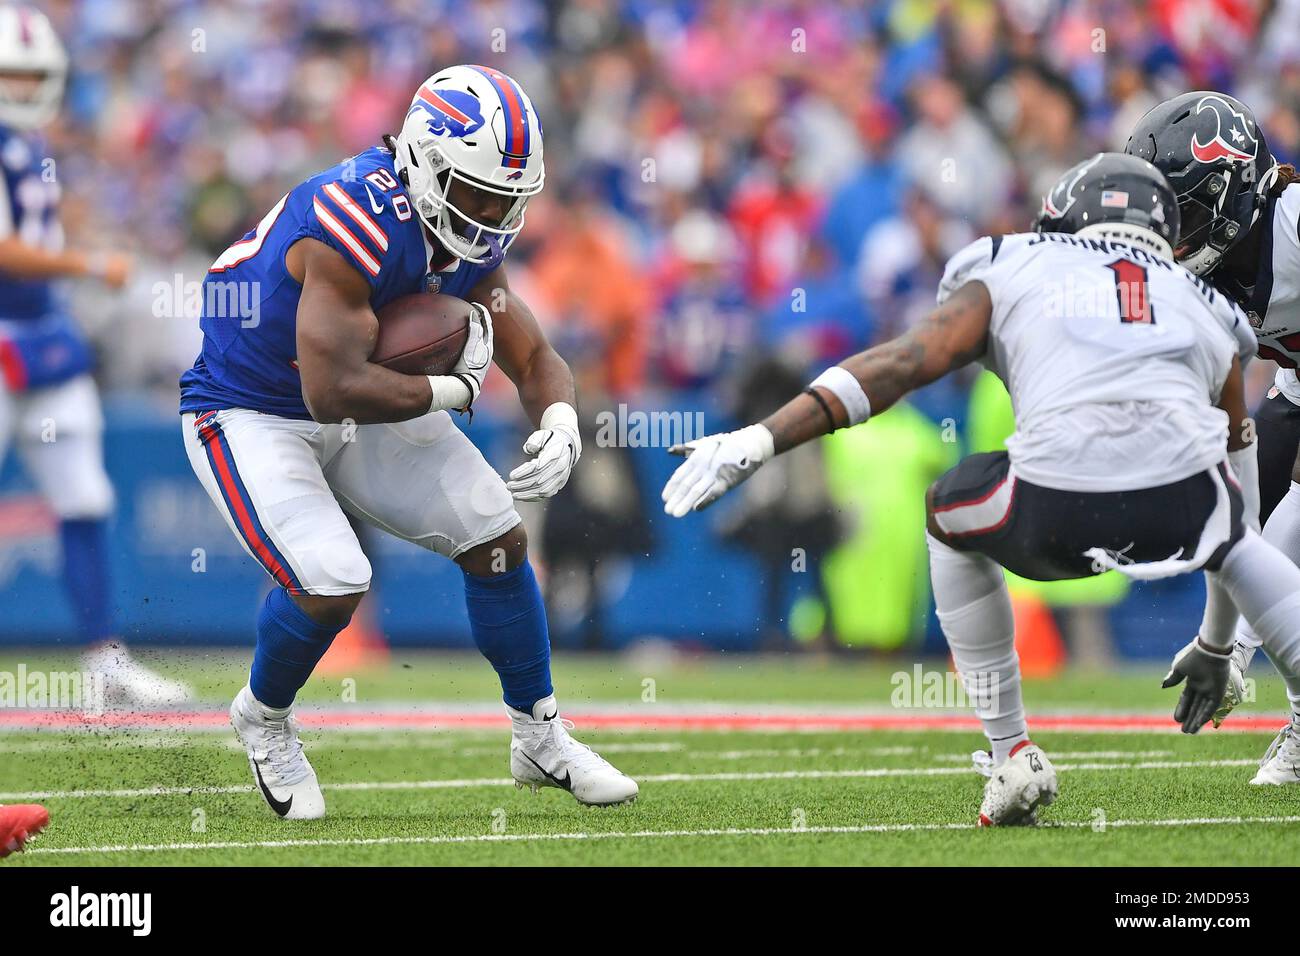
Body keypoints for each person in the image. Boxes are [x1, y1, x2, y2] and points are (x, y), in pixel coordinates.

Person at [662, 153, 1300, 824]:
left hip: (1052, 512)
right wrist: (1218, 645)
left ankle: (1011, 751)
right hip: (1182, 512)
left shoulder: (1013, 261)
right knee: (1233, 533)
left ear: (1062, 217)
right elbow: (1239, 487)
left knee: (948, 507)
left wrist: (759, 439)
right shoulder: (1205, 301)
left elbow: (905, 363)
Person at [178, 65, 637, 819]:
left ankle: (538, 735)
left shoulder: (458, 227)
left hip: (355, 408)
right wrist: (456, 390)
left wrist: (558, 420)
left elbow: (532, 353)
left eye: (507, 200)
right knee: (332, 577)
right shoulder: (347, 218)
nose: (491, 216)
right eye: (481, 194)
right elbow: (333, 388)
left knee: (496, 531)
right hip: (250, 408)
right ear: (425, 163)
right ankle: (262, 717)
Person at [0, 7, 188, 706]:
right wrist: (84, 263)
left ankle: (104, 661)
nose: (22, 89)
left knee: (84, 496)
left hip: (43, 338)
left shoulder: (30, 143)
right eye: (10, 76)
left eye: (31, 76)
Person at [1126, 92, 1300, 781]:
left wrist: (1232, 647)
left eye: (1187, 215)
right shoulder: (1193, 292)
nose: (1173, 239)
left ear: (1233, 191)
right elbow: (1233, 502)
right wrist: (1220, 641)